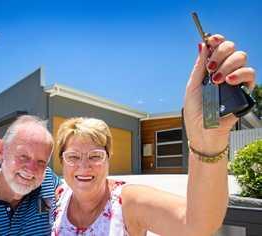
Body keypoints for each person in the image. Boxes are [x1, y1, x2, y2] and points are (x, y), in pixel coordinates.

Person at [51, 34, 256, 236]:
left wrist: (207, 145)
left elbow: (196, 226)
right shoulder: (59, 197)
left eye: (95, 155)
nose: (83, 166)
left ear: (108, 158)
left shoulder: (129, 202)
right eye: (73, 157)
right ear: (61, 160)